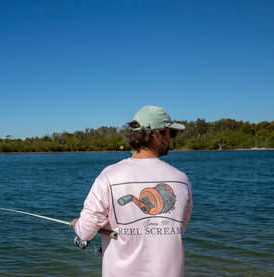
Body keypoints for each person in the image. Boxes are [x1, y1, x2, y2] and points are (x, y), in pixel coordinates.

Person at [70, 105, 193, 277]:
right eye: (171, 133)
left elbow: (85, 232)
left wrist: (78, 225)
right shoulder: (182, 180)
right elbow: (179, 228)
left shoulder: (108, 176)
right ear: (157, 136)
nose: (172, 139)